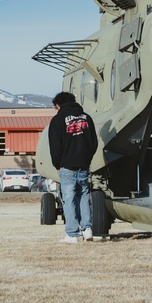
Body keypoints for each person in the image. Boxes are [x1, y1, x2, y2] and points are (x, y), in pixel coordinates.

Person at [48, 92, 100, 243]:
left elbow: (55, 146)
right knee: (84, 196)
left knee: (69, 198)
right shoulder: (86, 118)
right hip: (84, 165)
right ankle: (87, 229)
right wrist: (87, 158)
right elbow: (94, 143)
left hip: (67, 166)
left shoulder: (58, 120)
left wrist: (57, 164)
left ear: (58, 105)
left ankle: (72, 234)